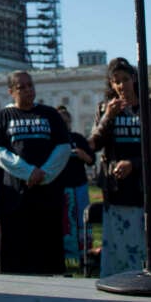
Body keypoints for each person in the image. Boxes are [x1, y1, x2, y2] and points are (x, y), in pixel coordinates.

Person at [88, 58, 151, 277]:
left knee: (150, 243)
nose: (122, 85)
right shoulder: (105, 109)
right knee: (120, 246)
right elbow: (94, 144)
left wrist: (133, 164)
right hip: (117, 190)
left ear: (134, 79)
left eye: (125, 79)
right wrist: (108, 117)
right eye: (116, 81)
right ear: (111, 85)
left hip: (148, 186)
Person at [0, 71, 70, 274]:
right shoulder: (3, 116)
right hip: (14, 196)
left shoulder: (50, 114)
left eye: (30, 85)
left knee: (47, 256)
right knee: (15, 256)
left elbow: (63, 148)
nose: (28, 90)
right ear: (10, 92)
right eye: (21, 87)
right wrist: (27, 172)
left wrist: (43, 173)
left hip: (46, 195)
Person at [57, 106, 95, 264]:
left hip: (79, 185)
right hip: (61, 187)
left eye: (66, 121)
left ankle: (84, 252)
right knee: (64, 221)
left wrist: (82, 154)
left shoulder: (78, 139)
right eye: (61, 121)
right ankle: (65, 253)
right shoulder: (53, 141)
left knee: (81, 219)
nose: (64, 124)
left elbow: (91, 160)